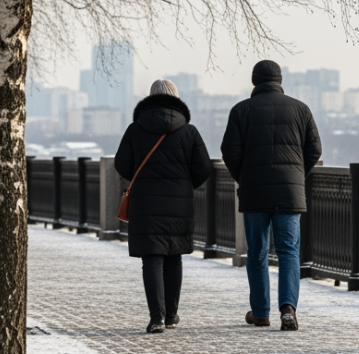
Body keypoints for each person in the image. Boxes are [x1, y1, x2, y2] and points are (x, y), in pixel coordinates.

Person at [221, 60, 321, 331]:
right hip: (289, 192)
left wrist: (245, 177)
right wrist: (296, 176)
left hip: (254, 192)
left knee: (257, 252)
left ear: (254, 81)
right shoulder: (301, 109)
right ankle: (288, 309)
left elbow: (229, 151)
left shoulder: (241, 110)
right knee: (288, 251)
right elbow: (315, 149)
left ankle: (261, 312)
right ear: (280, 80)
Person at [115, 79, 214, 334]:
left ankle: (156, 318)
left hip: (145, 202)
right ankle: (171, 315)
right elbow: (204, 167)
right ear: (176, 99)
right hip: (178, 204)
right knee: (174, 256)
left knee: (151, 258)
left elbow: (121, 163)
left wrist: (141, 180)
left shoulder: (135, 129)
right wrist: (184, 185)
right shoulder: (189, 131)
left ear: (150, 99)